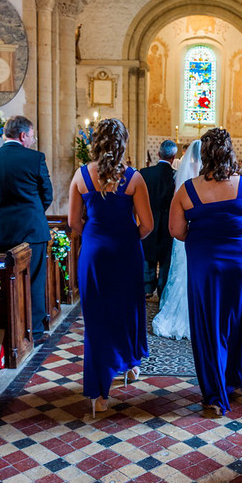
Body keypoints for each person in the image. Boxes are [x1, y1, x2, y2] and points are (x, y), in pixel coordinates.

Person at [169, 128, 242, 417]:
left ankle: (214, 394)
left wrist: (205, 234)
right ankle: (233, 379)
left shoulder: (187, 190)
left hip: (206, 262)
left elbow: (176, 230)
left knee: (209, 325)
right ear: (230, 151)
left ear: (203, 155)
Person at [68, 118, 153, 415]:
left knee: (96, 320)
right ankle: (129, 365)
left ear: (95, 142)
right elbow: (148, 225)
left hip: (93, 255)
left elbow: (73, 222)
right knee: (127, 311)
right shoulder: (134, 179)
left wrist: (96, 236)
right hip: (126, 253)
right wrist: (126, 238)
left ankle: (100, 395)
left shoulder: (80, 177)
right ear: (123, 144)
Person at [0, 116, 53, 342]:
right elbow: (47, 194)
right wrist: (32, 213)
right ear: (23, 136)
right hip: (33, 232)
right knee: (34, 280)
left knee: (5, 281)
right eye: (32, 136)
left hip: (1, 232)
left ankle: (8, 330)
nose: (32, 140)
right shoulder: (35, 158)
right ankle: (34, 332)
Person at [152, 140, 202, 340]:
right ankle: (200, 314)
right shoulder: (209, 176)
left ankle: (180, 312)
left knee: (182, 271)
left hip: (186, 231)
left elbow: (176, 203)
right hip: (201, 232)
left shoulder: (183, 174)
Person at [140, 139, 177, 297]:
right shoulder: (176, 176)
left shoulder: (144, 173)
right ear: (173, 157)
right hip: (168, 223)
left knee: (148, 254)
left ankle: (147, 288)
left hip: (148, 219)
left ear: (158, 153)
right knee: (165, 259)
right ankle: (162, 290)